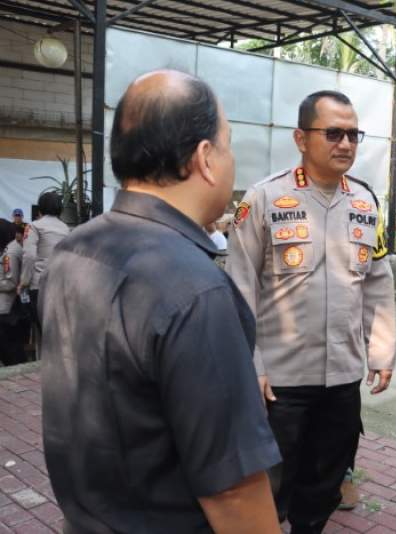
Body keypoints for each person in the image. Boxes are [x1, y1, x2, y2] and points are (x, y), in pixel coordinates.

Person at [39, 70, 282, 534]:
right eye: (228, 144)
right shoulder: (196, 290)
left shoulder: (73, 249)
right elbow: (232, 490)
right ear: (205, 158)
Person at [226, 90, 396, 533]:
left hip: (342, 376)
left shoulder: (365, 203)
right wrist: (252, 364)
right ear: (301, 138)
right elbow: (240, 286)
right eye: (334, 133)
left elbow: (377, 282)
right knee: (269, 486)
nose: (346, 144)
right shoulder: (264, 199)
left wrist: (381, 350)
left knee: (324, 481)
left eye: (354, 134)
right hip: (280, 380)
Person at [19, 191, 69, 326]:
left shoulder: (34, 226)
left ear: (40, 207)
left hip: (39, 285)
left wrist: (24, 282)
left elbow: (29, 255)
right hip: (60, 285)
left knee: (42, 328)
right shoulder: (65, 228)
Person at [0, 226, 25, 366]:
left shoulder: (10, 252)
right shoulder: (7, 249)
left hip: (8, 309)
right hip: (7, 308)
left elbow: (11, 283)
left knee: (11, 351)